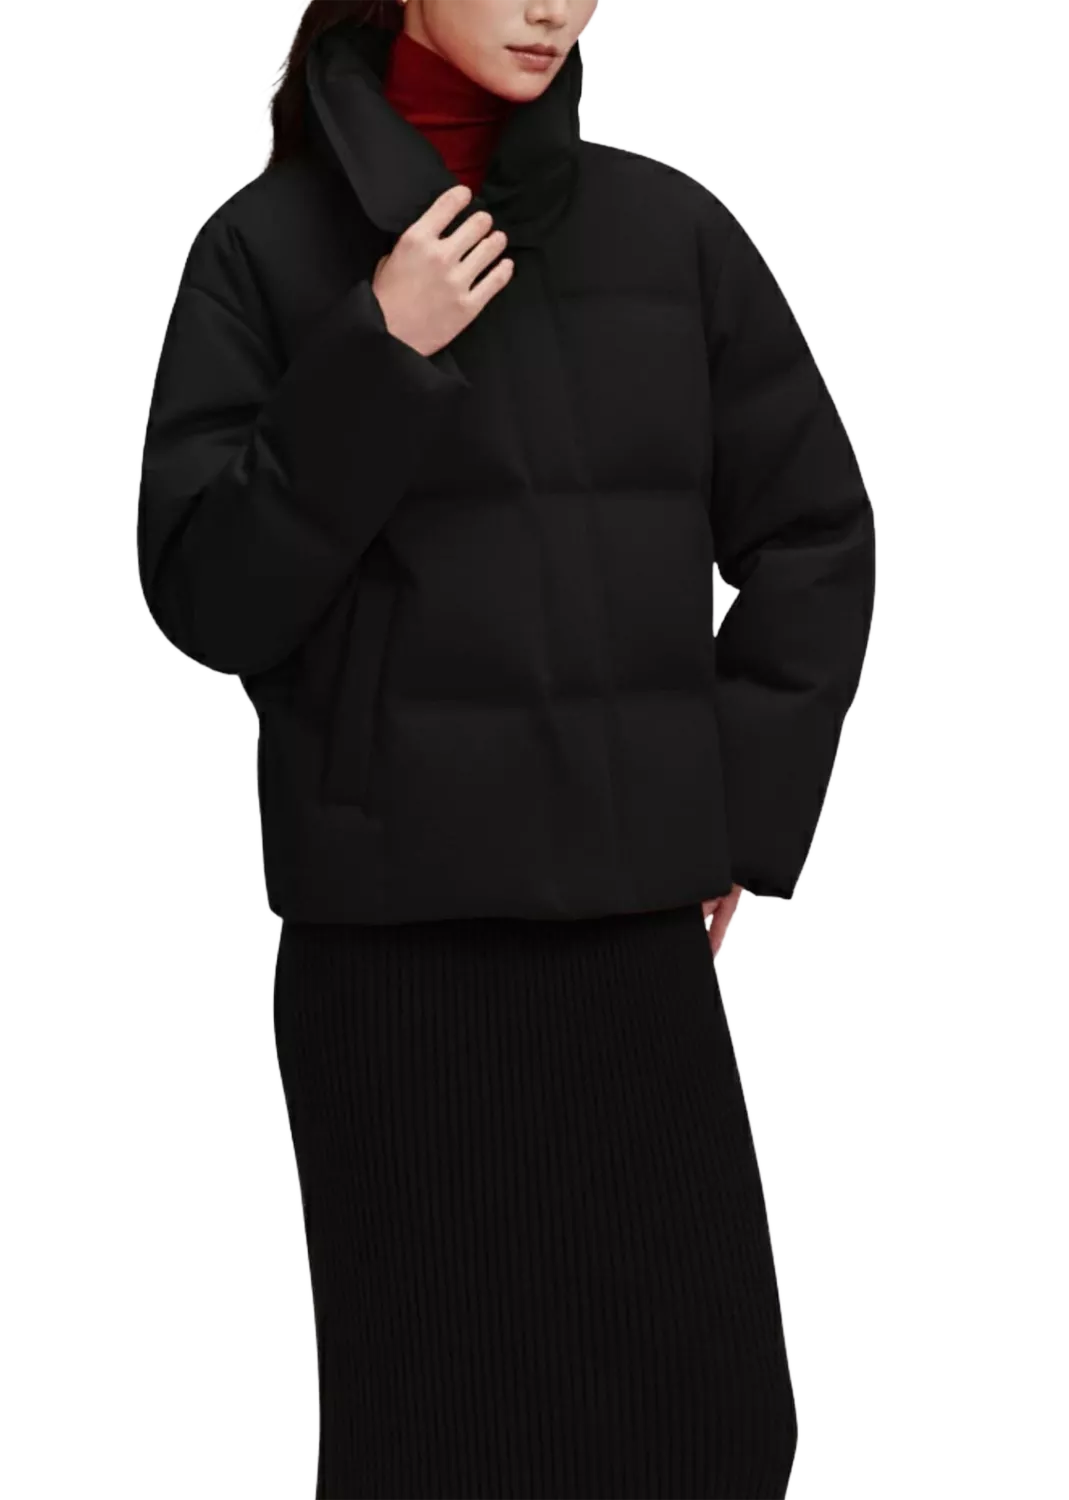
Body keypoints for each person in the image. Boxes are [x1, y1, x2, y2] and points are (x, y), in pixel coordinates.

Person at [135, 0, 876, 1494]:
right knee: (442, 1443)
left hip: (625, 943)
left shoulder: (671, 234)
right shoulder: (263, 252)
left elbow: (815, 534)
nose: (554, 8)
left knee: (715, 1428)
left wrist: (731, 814)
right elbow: (210, 596)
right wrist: (376, 347)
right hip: (390, 959)